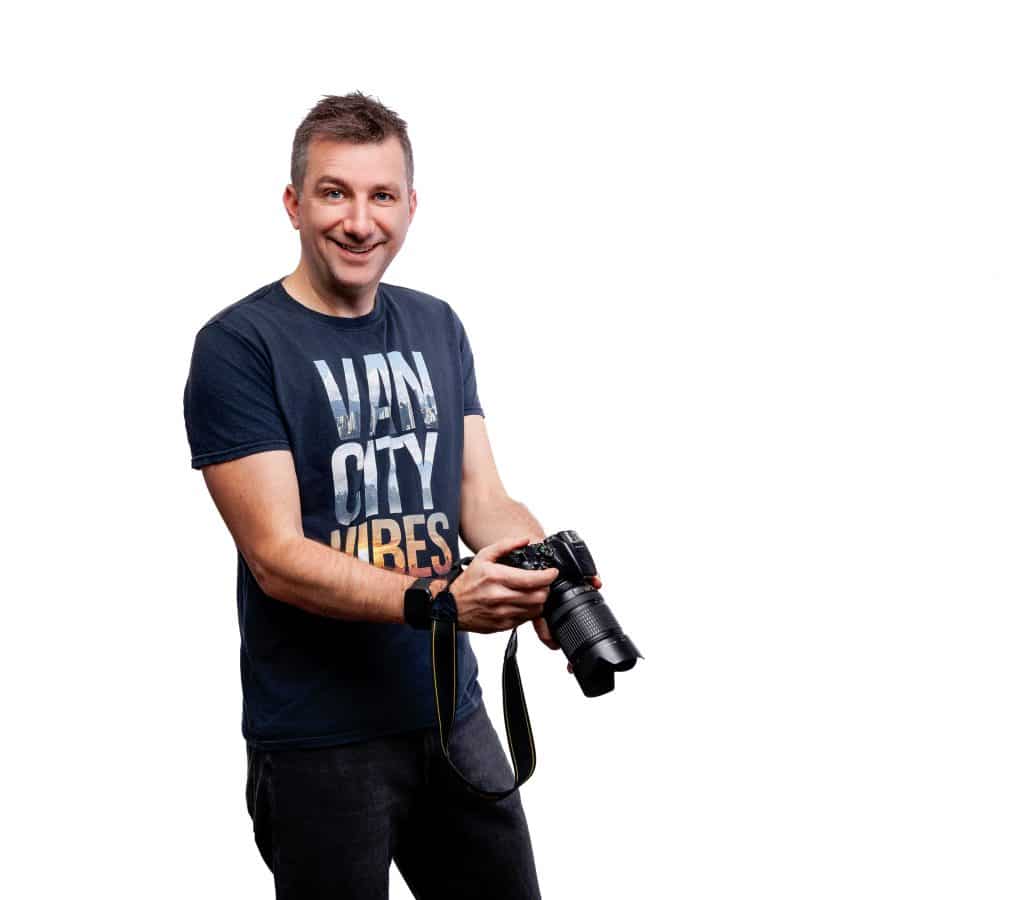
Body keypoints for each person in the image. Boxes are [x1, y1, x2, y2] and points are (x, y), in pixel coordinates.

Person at [183, 92, 600, 899]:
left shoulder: (437, 325)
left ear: (411, 206)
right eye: (334, 192)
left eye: (381, 196)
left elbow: (483, 500)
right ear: (293, 203)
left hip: (450, 711)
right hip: (318, 737)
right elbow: (277, 559)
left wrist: (543, 576)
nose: (359, 221)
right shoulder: (238, 346)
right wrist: (441, 600)